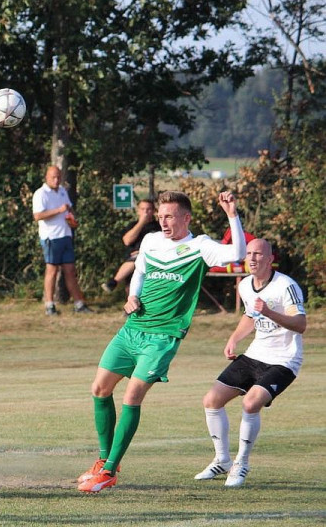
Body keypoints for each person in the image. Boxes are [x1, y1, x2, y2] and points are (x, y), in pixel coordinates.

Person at [77, 190, 246, 493]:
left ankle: (111, 471)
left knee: (132, 397)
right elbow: (140, 271)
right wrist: (132, 296)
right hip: (133, 328)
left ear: (186, 218)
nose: (163, 222)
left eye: (169, 216)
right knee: (99, 389)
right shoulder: (151, 240)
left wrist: (232, 215)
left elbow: (236, 254)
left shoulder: (200, 246)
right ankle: (103, 460)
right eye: (160, 217)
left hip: (163, 337)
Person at [194, 238, 305, 488]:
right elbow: (250, 316)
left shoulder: (286, 286)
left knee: (251, 402)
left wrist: (269, 312)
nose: (252, 258)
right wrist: (233, 339)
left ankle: (240, 464)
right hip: (255, 354)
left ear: (269, 259)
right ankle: (222, 460)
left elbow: (300, 325)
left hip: (284, 360)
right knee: (211, 400)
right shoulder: (245, 285)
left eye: (258, 254)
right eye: (249, 254)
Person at [32, 165, 92, 315]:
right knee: (52, 270)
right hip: (51, 237)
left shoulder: (62, 191)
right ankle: (49, 305)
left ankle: (79, 304)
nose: (57, 180)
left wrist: (72, 218)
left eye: (59, 177)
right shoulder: (40, 194)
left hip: (66, 235)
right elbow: (38, 216)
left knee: (70, 270)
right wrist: (58, 211)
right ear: (46, 177)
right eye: (53, 177)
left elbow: (69, 209)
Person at [102, 198, 161, 292]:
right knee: (131, 289)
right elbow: (127, 241)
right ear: (138, 211)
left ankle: (114, 282)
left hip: (152, 256)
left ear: (154, 211)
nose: (145, 212)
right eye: (142, 209)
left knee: (140, 256)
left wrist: (143, 251)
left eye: (148, 209)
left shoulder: (159, 226)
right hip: (132, 259)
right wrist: (141, 223)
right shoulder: (132, 225)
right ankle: (116, 285)